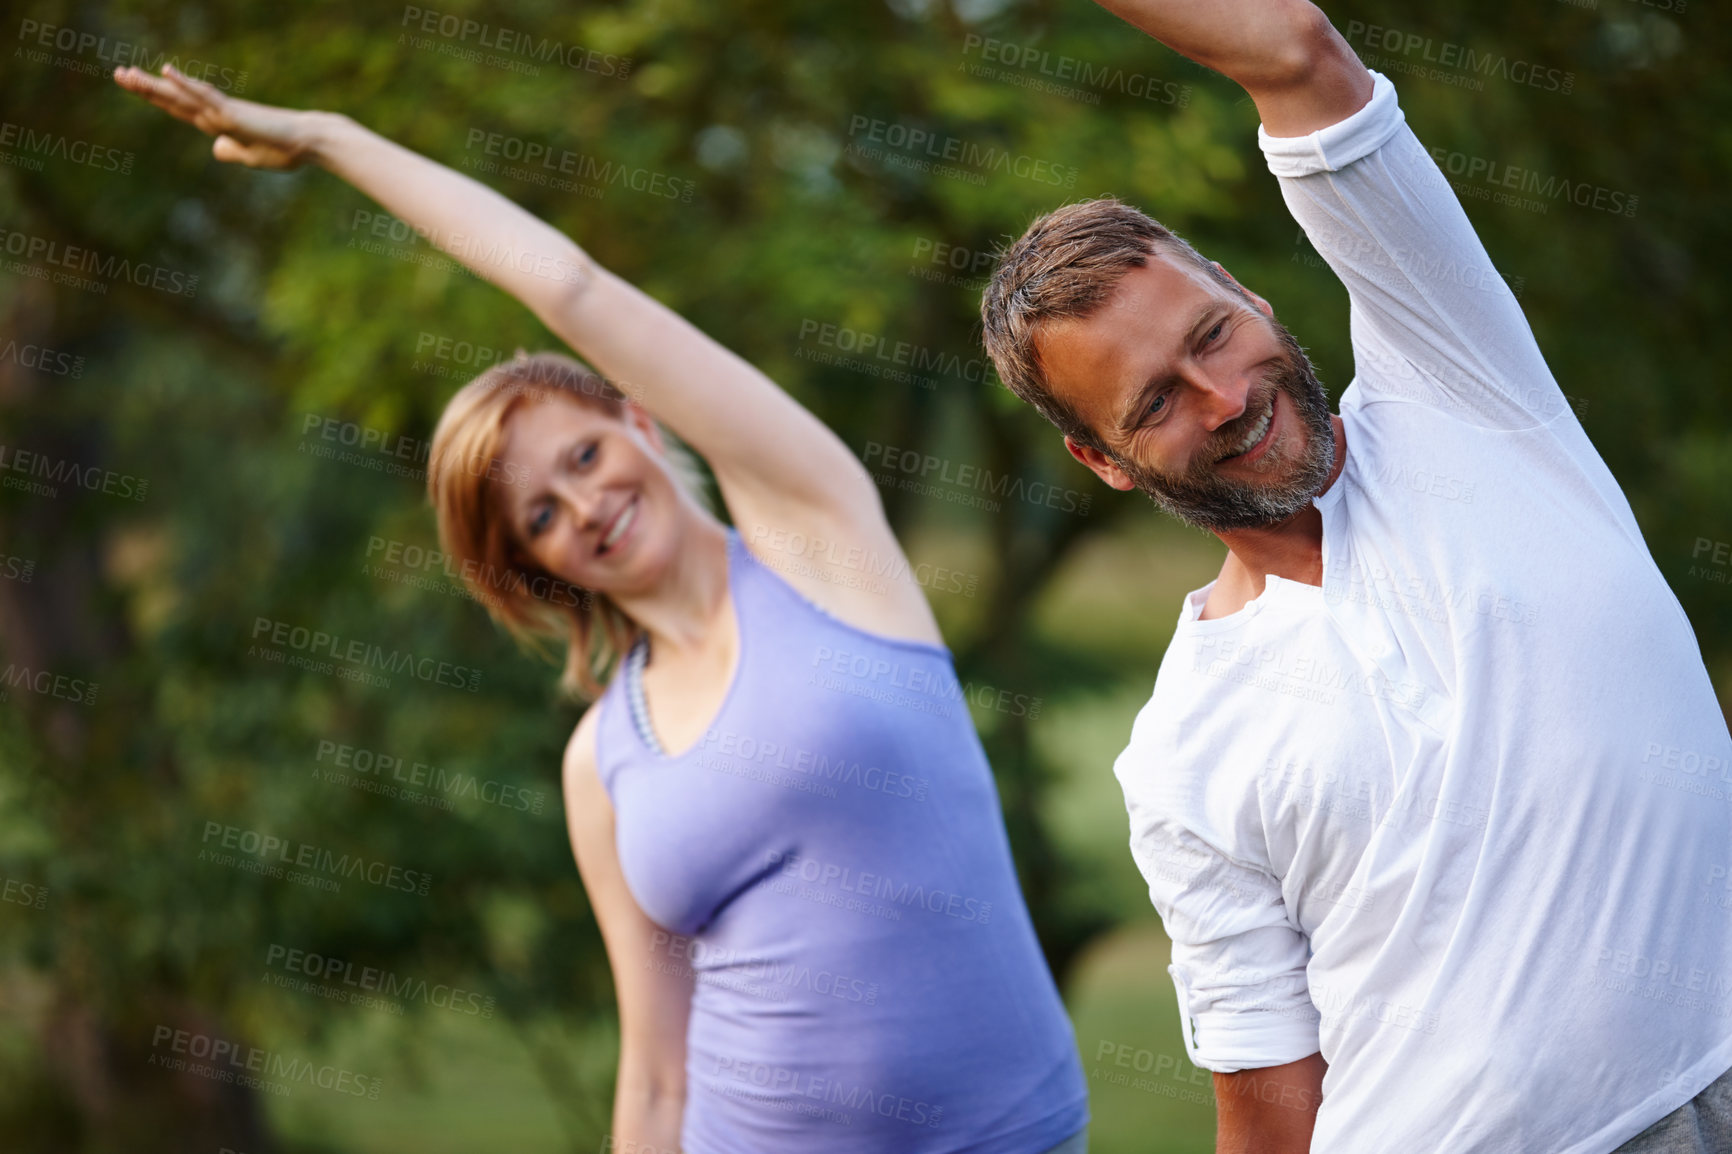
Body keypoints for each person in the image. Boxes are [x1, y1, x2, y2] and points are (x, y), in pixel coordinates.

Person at [115, 62, 1090, 1154]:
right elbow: (657, 1070)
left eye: (585, 452)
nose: (586, 502)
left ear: (640, 417)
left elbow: (568, 286)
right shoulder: (601, 759)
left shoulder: (822, 545)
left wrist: (332, 135)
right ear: (532, 562)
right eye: (539, 511)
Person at [979, 2, 1732, 1152]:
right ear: (1102, 461)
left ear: (1249, 292)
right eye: (1156, 402)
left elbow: (1293, 51)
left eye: (1211, 333)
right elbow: (1269, 1116)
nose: (1224, 396)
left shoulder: (1459, 383)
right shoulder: (1180, 753)